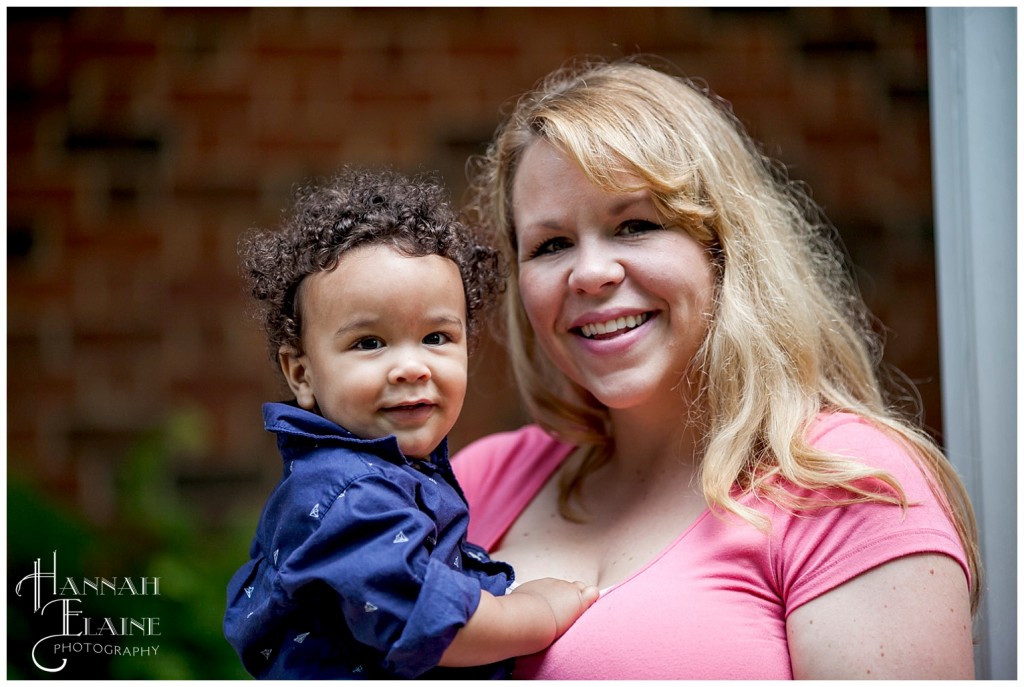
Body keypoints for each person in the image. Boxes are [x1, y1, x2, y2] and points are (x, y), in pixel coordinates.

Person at [453, 56, 981, 680]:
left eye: (635, 225)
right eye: (551, 245)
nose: (590, 273)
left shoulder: (847, 483)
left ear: (725, 247)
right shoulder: (479, 479)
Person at [223, 167, 598, 679]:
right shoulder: (351, 494)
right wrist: (533, 612)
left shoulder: (387, 469)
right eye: (369, 343)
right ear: (301, 373)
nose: (412, 366)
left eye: (436, 337)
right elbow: (427, 618)